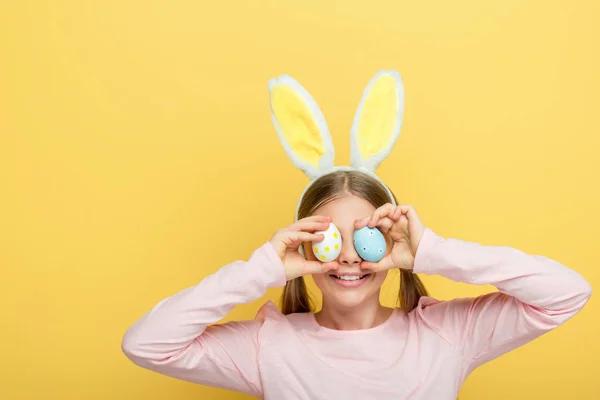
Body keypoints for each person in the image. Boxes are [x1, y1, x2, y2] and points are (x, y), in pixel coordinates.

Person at [121, 71, 592, 399]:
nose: (348, 257)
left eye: (365, 235)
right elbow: (145, 344)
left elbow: (568, 293)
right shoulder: (271, 347)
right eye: (327, 238)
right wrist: (261, 267)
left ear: (393, 243)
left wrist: (435, 252)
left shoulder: (448, 335)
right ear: (303, 248)